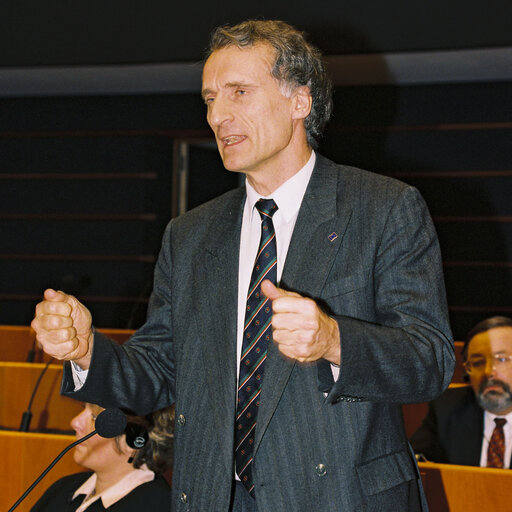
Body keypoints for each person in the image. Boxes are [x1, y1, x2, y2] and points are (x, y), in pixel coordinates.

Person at [31, 19, 454, 511]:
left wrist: (333, 340)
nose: (218, 115)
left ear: (300, 101)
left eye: (239, 92)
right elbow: (156, 372)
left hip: (339, 497)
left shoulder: (383, 208)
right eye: (210, 99)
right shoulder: (189, 235)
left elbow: (431, 361)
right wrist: (86, 352)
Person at [410, 316, 512, 468]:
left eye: (501, 359)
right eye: (477, 363)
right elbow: (411, 463)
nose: (489, 371)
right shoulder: (447, 408)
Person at [31, 403, 174, 511]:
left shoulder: (154, 505)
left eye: (95, 417)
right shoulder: (63, 488)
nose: (75, 422)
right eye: (83, 407)